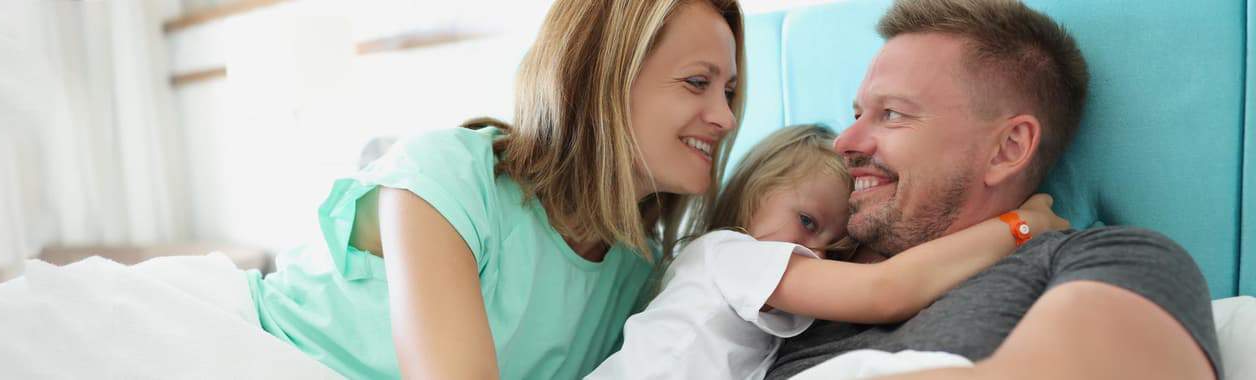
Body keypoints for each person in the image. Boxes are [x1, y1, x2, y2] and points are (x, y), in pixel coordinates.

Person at [246, 0, 747, 378]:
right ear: (602, 79)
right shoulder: (445, 180)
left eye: (727, 92)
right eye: (696, 82)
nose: (725, 118)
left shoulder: (637, 275)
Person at [766, 1, 1222, 379]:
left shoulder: (1110, 259)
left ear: (1007, 149)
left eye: (892, 114)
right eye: (857, 113)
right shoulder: (801, 275)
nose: (844, 143)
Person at [586, 124, 1069, 379]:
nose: (813, 251)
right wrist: (1021, 226)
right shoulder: (729, 255)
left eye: (835, 246)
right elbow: (887, 289)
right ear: (755, 190)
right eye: (808, 222)